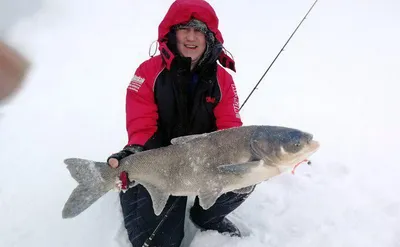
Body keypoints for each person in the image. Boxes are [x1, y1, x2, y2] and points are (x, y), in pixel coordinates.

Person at [107, 0, 254, 246]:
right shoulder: (147, 72)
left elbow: (230, 129)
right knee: (160, 242)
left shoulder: (223, 80)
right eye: (184, 29)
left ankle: (207, 216)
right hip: (161, 161)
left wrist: (239, 162)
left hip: (207, 160)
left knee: (250, 173)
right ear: (172, 34)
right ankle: (131, 185)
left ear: (210, 37)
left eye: (199, 30)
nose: (191, 37)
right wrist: (136, 153)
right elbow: (142, 125)